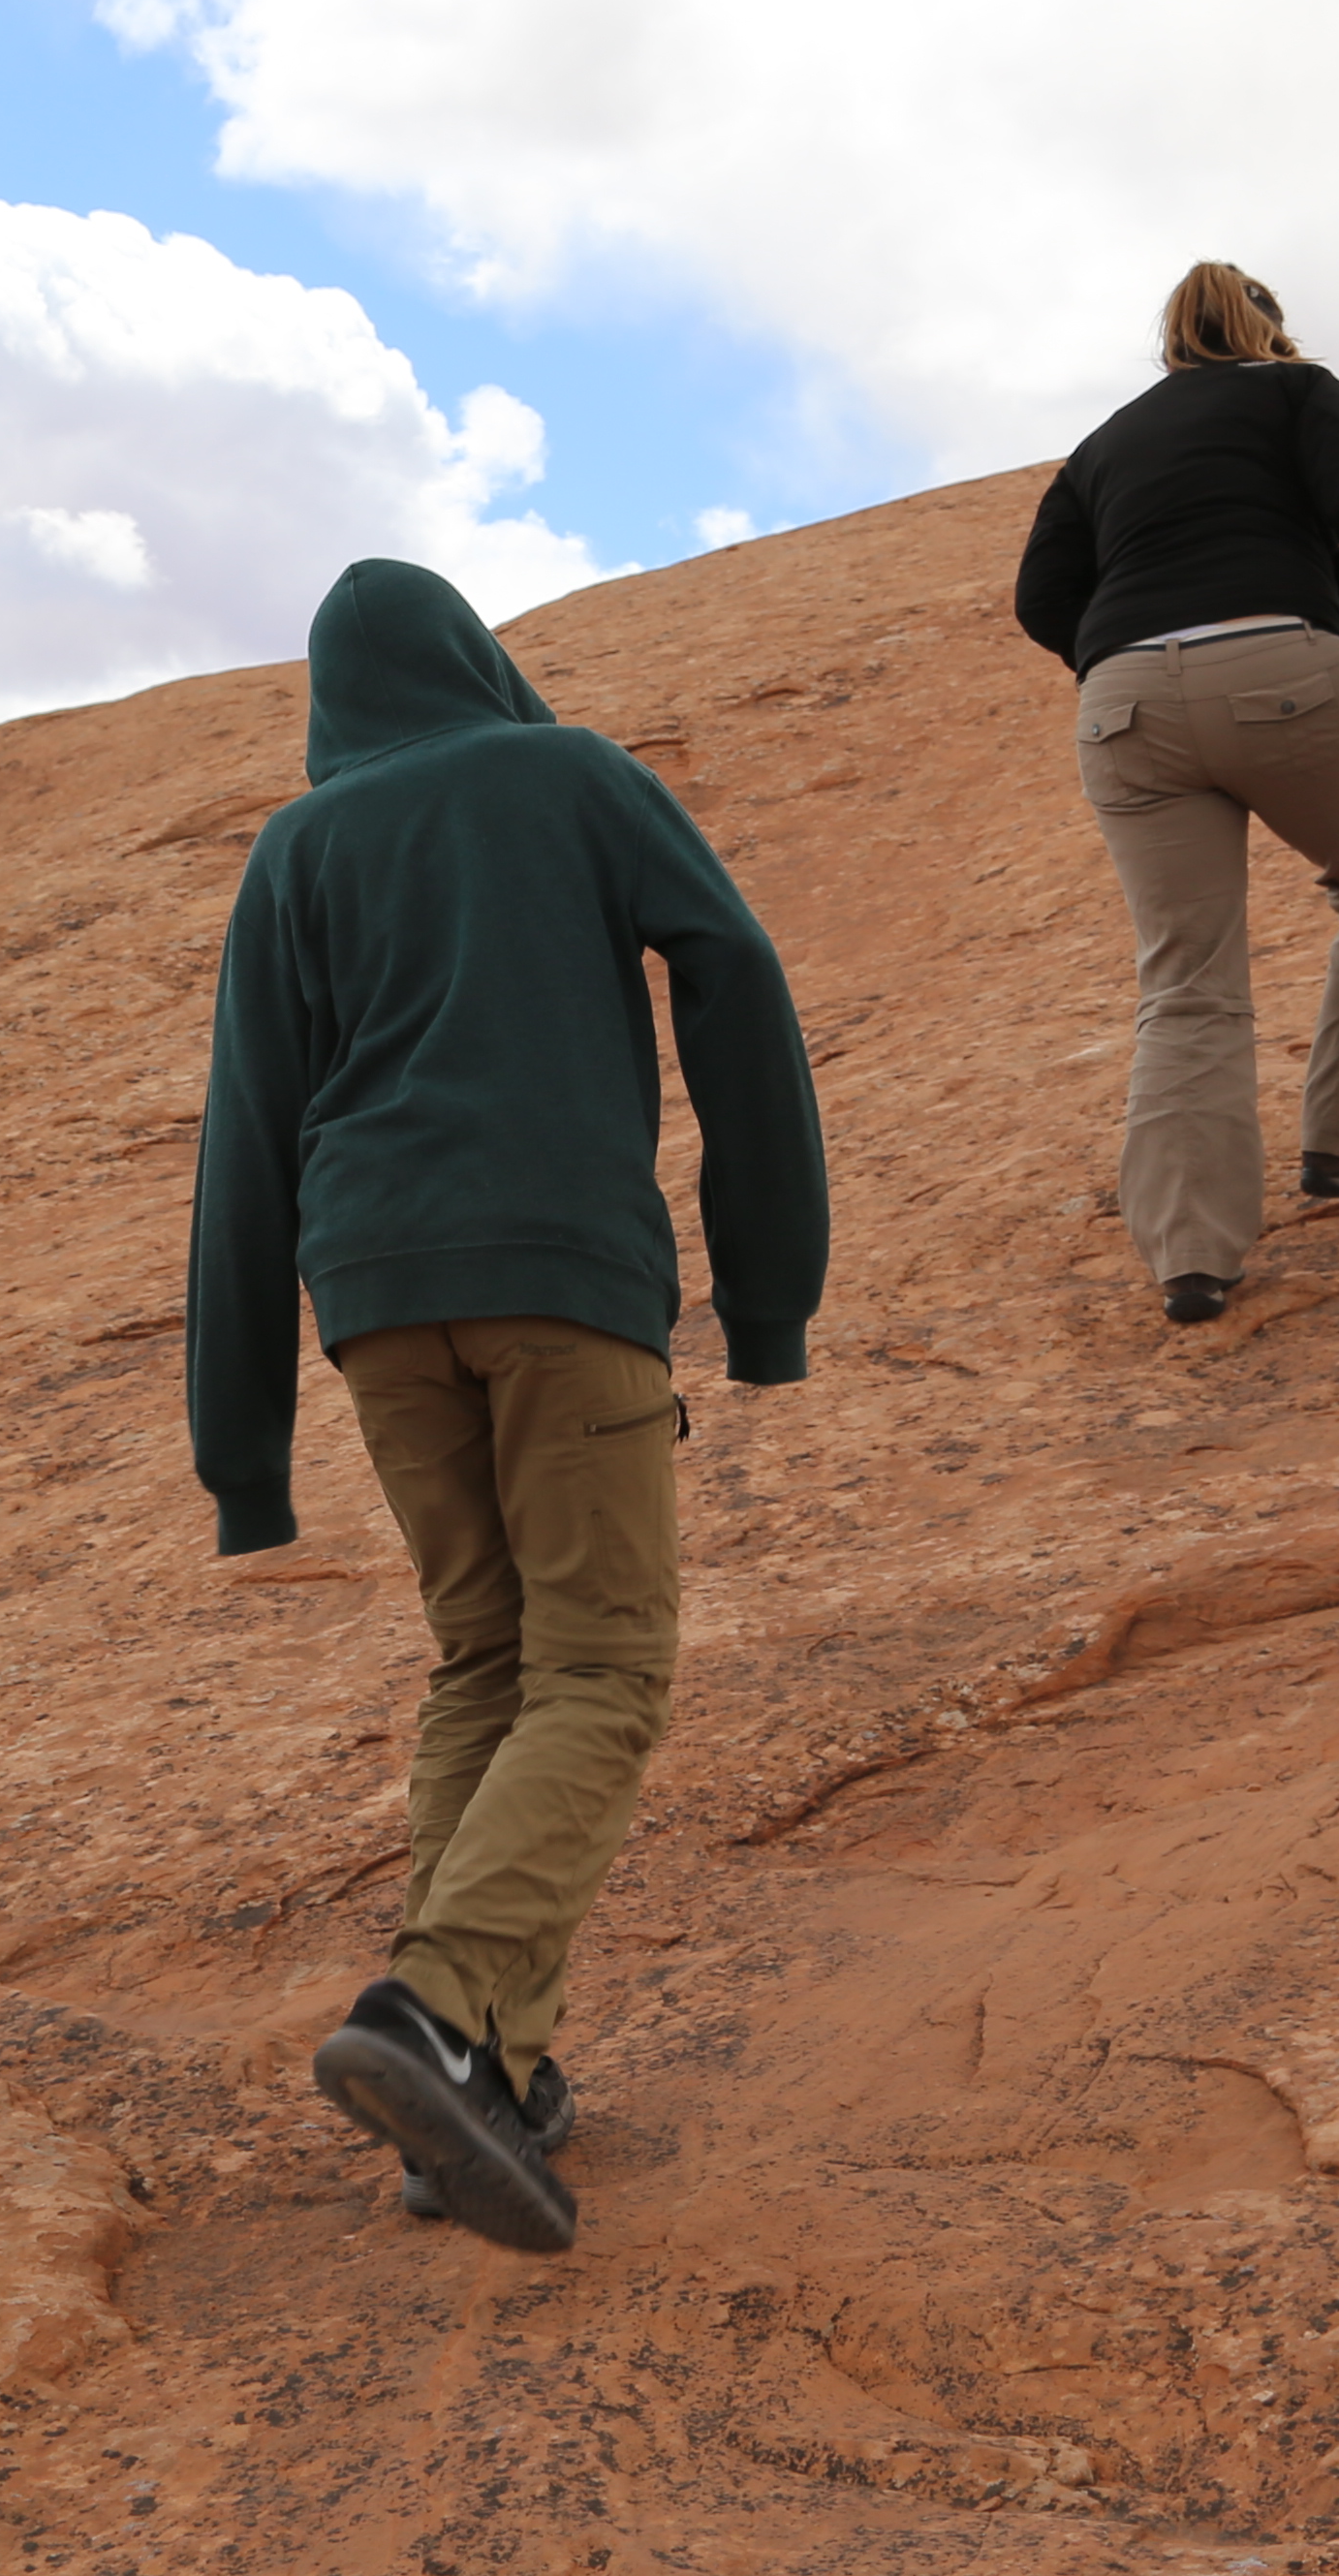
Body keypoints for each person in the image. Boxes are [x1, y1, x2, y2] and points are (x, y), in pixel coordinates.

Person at [187, 560, 826, 2254]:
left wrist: (242, 1452)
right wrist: (767, 1296)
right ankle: (433, 2005)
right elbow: (735, 974)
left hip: (374, 1303)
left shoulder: (293, 852)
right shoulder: (574, 776)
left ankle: (481, 2075)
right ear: (475, 658)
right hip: (559, 1275)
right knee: (604, 1664)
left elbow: (242, 1138)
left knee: (489, 1660)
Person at [1012, 263, 1339, 1325]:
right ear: (1271, 331)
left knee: (1187, 979)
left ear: (1169, 345)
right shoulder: (1297, 393)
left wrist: (1122, 654)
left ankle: (1190, 1258)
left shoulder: (1104, 445)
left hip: (1123, 705)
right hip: (1279, 675)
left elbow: (1038, 598)